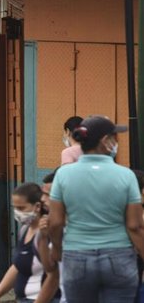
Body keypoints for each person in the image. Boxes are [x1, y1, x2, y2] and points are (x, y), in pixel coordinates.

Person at [49, 115, 144, 302]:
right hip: (118, 255)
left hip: (77, 255)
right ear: (105, 141)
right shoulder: (126, 176)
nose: (116, 142)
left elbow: (56, 221)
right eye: (114, 137)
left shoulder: (63, 175)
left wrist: (57, 250)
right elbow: (134, 226)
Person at [0, 183, 60, 303]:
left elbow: (53, 276)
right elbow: (17, 266)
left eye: (21, 208)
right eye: (14, 208)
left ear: (37, 206)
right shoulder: (24, 230)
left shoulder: (46, 234)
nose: (17, 212)